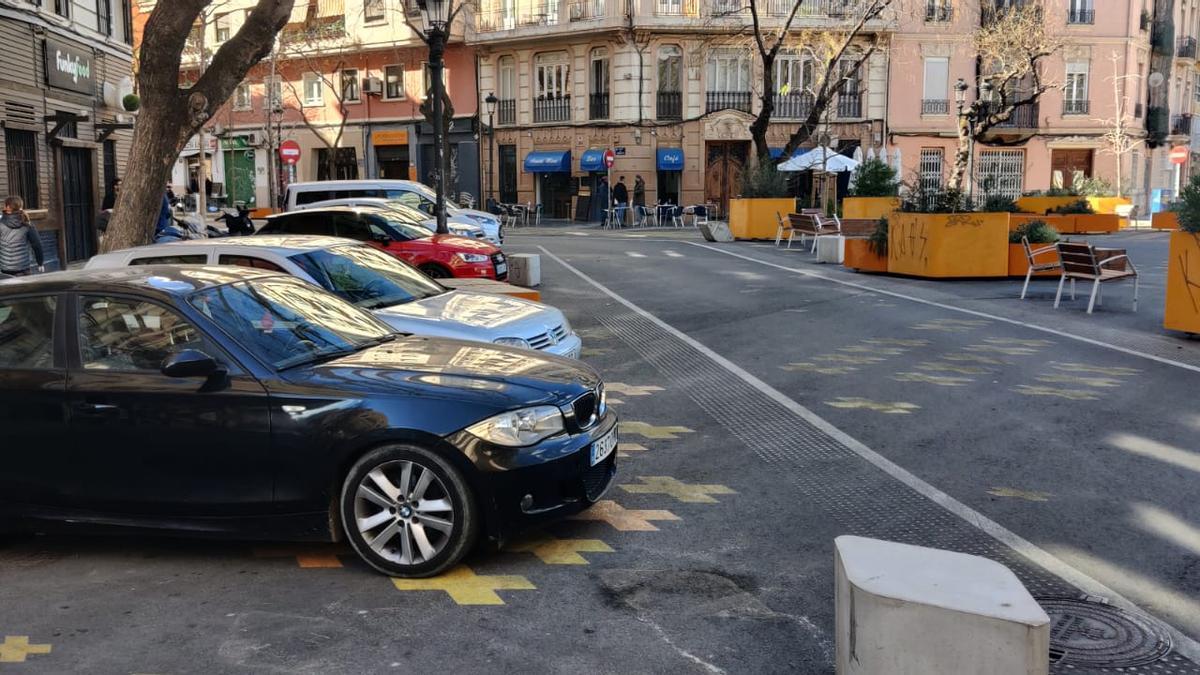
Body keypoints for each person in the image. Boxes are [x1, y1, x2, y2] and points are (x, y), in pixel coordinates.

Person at [1, 196, 45, 276]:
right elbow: (37, 245)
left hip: (5, 271)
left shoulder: (1, 224)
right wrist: (40, 263)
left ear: (8, 207)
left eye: (4, 205)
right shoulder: (27, 224)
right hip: (23, 269)